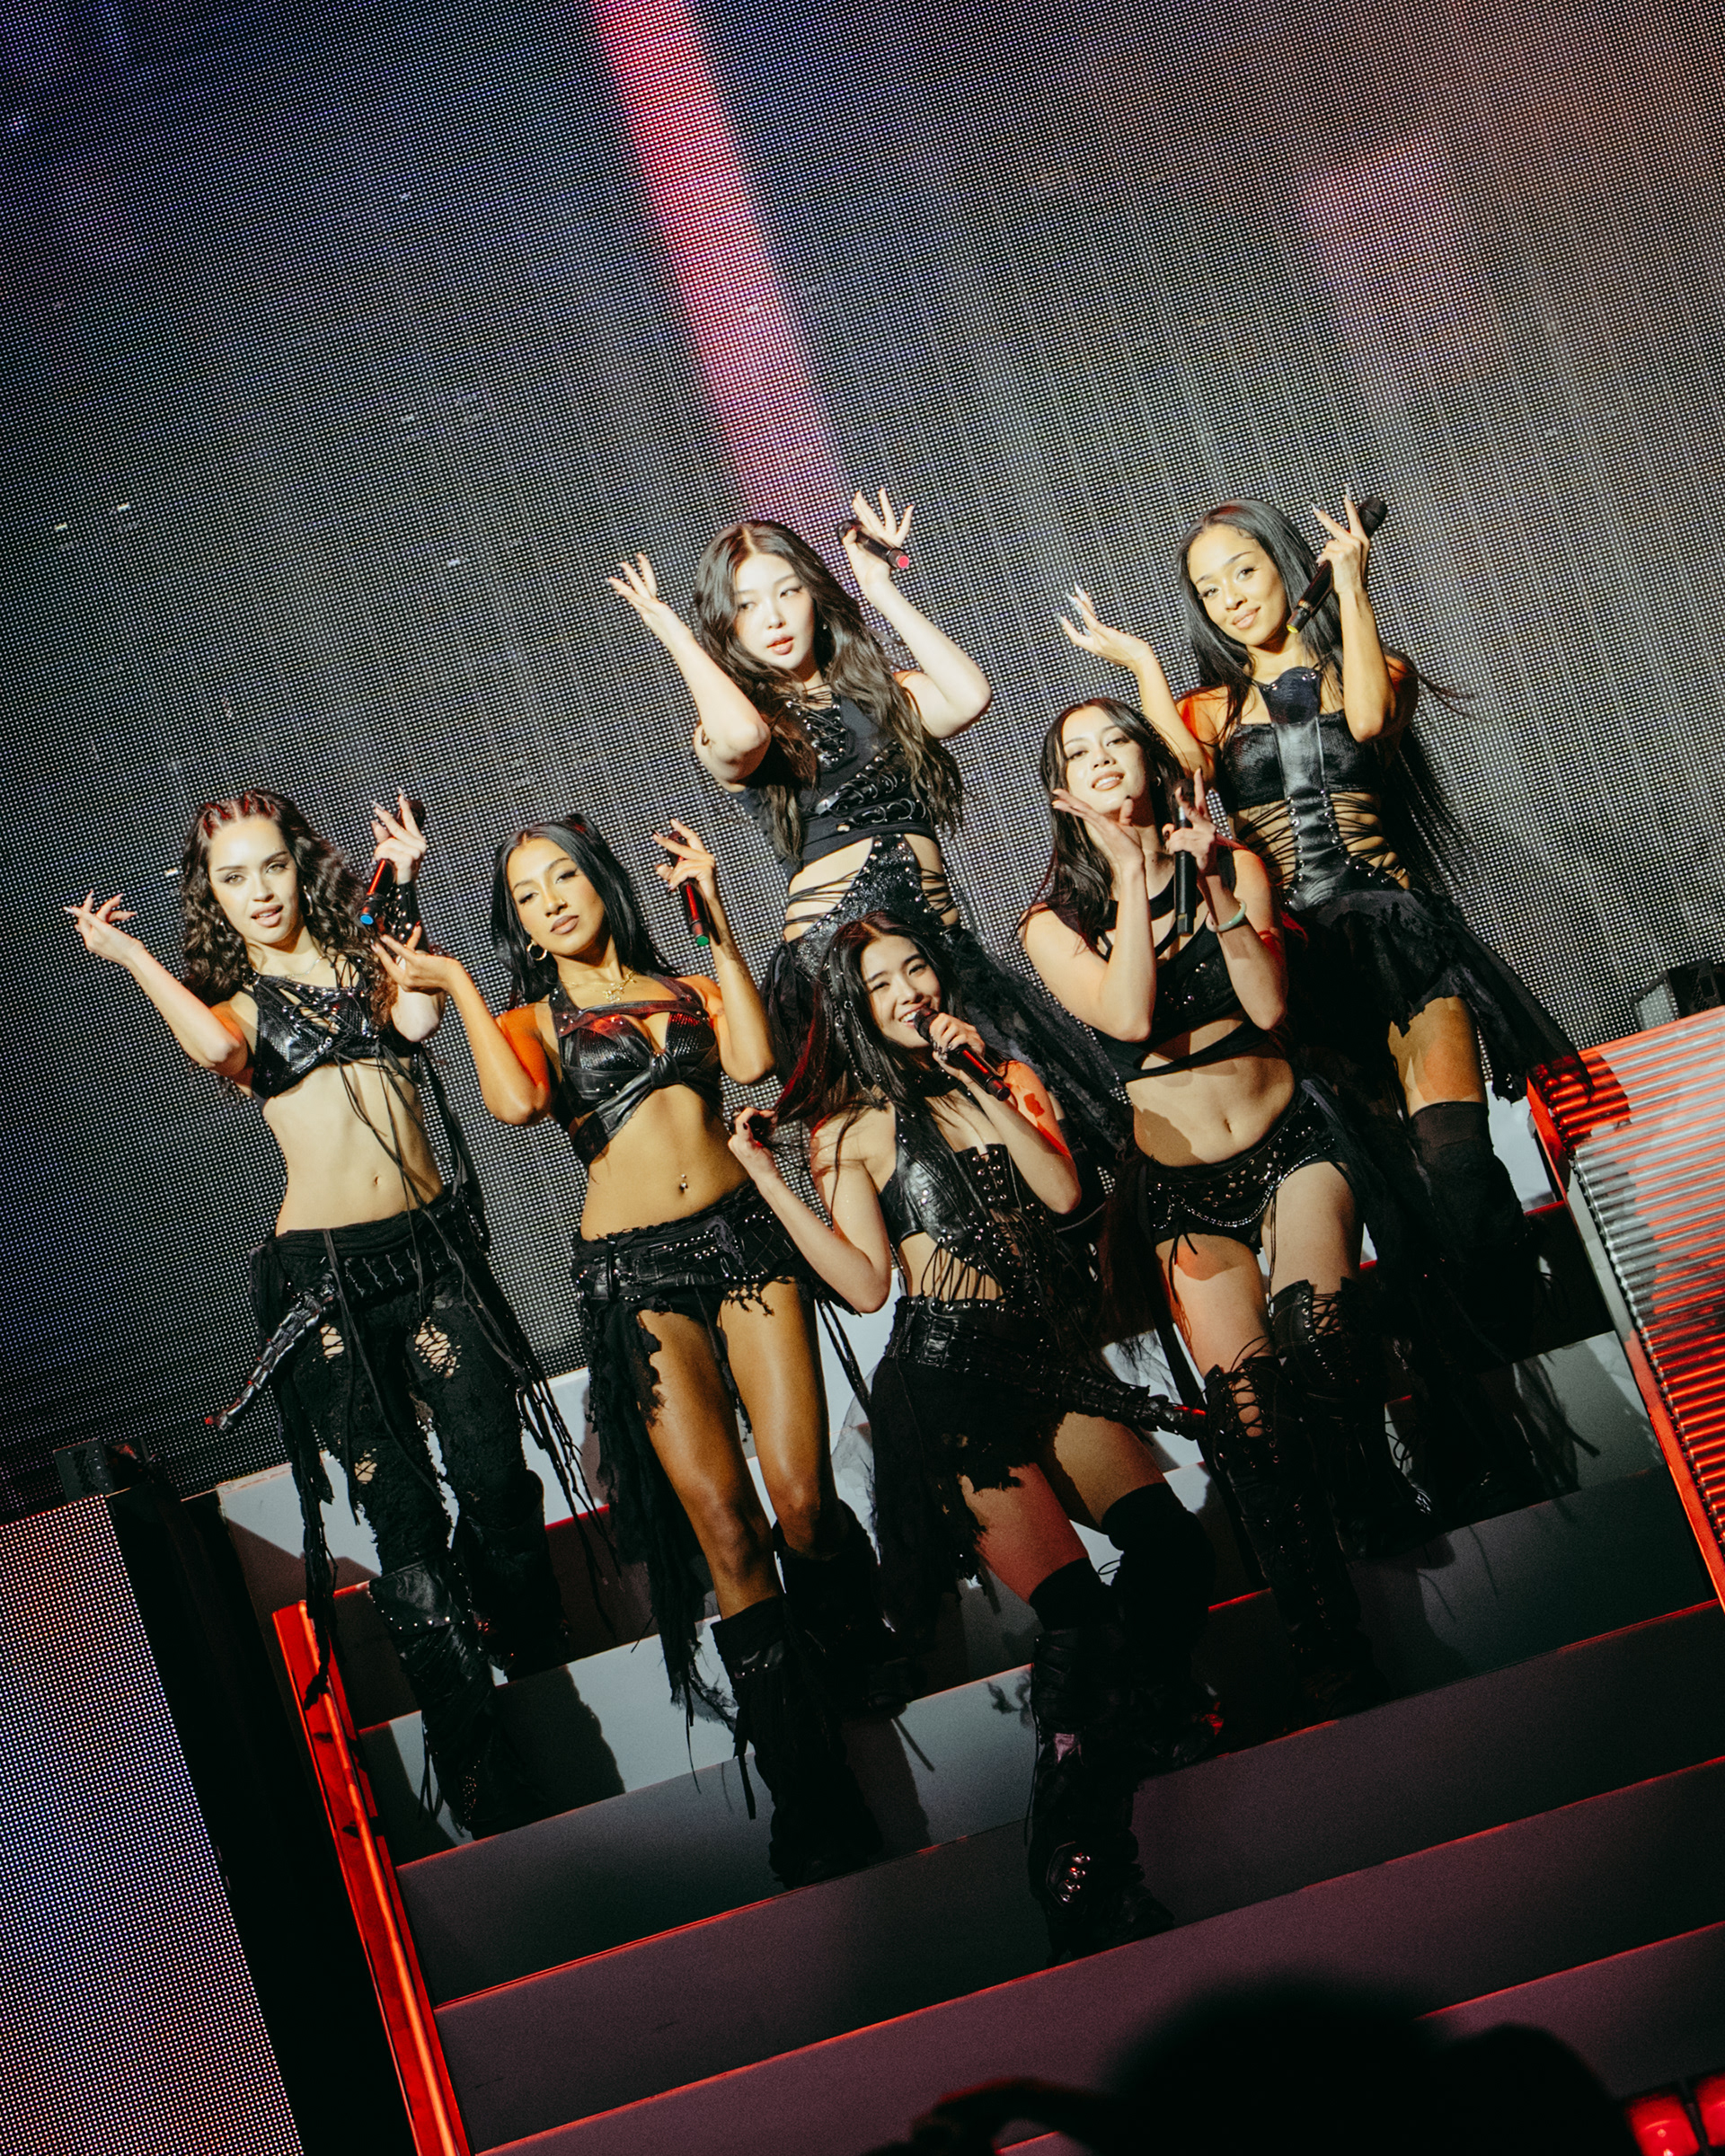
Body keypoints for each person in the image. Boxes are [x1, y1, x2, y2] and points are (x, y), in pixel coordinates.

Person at [377, 812, 885, 1888]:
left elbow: (751, 1059)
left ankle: (855, 1649)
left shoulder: (687, 987)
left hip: (743, 1240)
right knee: (728, 1529)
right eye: (527, 896)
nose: (551, 903)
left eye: (563, 878)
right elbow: (517, 1104)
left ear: (602, 882)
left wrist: (714, 913)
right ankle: (813, 1800)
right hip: (634, 1274)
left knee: (802, 1501)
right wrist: (460, 983)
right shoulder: (527, 1020)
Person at [66, 790, 579, 1838]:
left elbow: (420, 1018)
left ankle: (530, 1653)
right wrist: (131, 958)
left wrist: (405, 880)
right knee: (403, 1519)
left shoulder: (366, 962)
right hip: (327, 1282)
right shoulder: (241, 1007)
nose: (258, 892)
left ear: (301, 867)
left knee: (493, 1474)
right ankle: (480, 1769)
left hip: (431, 1256)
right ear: (211, 897)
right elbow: (215, 1052)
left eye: (271, 867)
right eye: (232, 878)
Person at [726, 911, 1215, 1962]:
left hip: (1044, 1361)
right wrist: (769, 1181)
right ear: (856, 1010)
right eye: (883, 983)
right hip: (945, 1381)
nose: (910, 990)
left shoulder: (995, 1078)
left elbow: (1065, 1192)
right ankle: (1080, 1864)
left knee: (1174, 1550)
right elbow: (865, 1285)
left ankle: (1131, 1717)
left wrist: (985, 1077)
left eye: (918, 970)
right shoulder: (847, 1131)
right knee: (1077, 1618)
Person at [1059, 499, 1573, 1339]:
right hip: (1298, 959)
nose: (1230, 598)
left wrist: (1354, 587)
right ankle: (1471, 1369)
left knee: (1459, 1163)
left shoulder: (1380, 670)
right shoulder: (1210, 711)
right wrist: (1144, 662)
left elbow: (1366, 719)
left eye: (1244, 572)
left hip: (1398, 938)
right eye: (1208, 590)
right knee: (1393, 1183)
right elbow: (1180, 770)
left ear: (1286, 567)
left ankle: (1526, 1321)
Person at [1021, 701, 1408, 1706]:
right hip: (1183, 1193)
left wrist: (1217, 888)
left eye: (1116, 742)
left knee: (1317, 1334)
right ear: (1062, 792)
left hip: (1290, 1145)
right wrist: (1128, 878)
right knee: (1249, 1419)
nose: (1103, 761)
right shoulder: (1053, 924)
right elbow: (1129, 1015)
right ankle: (1326, 1644)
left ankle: (1369, 1486)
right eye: (1078, 755)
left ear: (1150, 759)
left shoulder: (1228, 863)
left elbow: (1270, 1003)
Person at [606, 490, 1128, 1162]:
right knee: (922, 1153)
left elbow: (970, 695)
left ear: (815, 596)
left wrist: (879, 589)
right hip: (839, 964)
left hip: (936, 947)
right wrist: (675, 631)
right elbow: (743, 734)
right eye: (746, 605)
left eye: (787, 592)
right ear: (725, 624)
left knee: (1033, 1130)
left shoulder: (885, 692)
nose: (773, 617)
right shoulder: (732, 729)